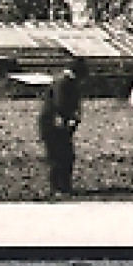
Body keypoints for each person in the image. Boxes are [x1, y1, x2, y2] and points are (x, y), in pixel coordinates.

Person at [38, 57, 87, 198]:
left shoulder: (64, 82)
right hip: (54, 125)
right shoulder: (64, 83)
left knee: (64, 156)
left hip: (56, 124)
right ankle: (58, 188)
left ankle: (63, 187)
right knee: (59, 157)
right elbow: (60, 105)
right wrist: (71, 118)